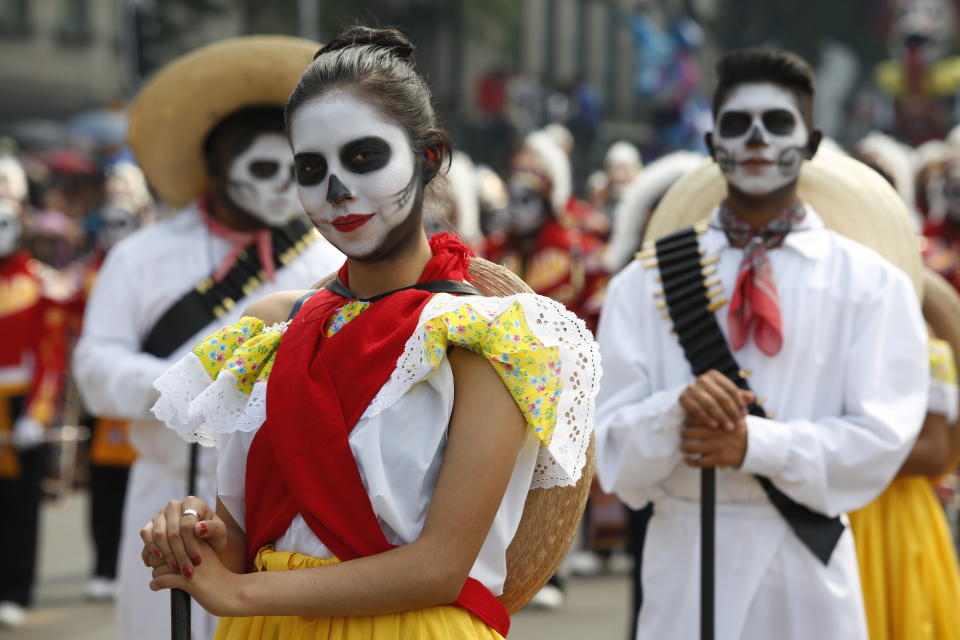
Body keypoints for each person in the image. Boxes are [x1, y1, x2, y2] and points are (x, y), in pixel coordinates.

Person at [140, 26, 598, 640]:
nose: (336, 191)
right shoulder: (269, 327)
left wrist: (240, 591)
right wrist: (198, 533)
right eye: (311, 167)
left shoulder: (488, 338)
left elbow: (439, 566)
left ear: (429, 156)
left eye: (364, 158)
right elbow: (245, 543)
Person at [595, 48, 927, 639]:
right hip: (686, 562)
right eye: (736, 124)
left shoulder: (871, 285)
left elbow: (883, 438)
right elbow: (611, 449)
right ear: (712, 141)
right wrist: (675, 412)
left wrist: (758, 444)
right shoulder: (642, 285)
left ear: (812, 143)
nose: (755, 139)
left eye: (777, 123)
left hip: (805, 563)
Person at [72, 36, 344, 640]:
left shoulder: (327, 260)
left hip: (286, 509)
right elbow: (93, 367)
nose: (280, 188)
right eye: (261, 169)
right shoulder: (142, 256)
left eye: (293, 168)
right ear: (217, 168)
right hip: (165, 497)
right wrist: (191, 383)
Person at [0, 151, 70, 628]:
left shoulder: (42, 285)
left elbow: (51, 358)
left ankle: (16, 590)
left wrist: (37, 415)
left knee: (20, 502)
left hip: (21, 402)